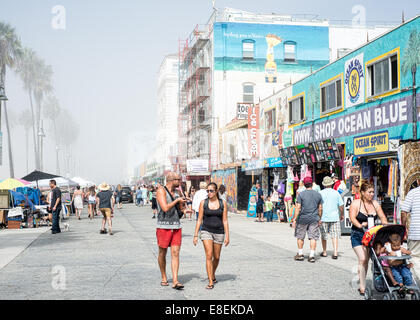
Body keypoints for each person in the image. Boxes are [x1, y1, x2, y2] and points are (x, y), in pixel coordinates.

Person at [349, 180, 388, 296]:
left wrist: (384, 226)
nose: (372, 194)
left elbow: (382, 217)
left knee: (376, 259)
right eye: (369, 192)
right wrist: (360, 225)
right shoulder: (356, 203)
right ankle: (362, 286)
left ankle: (380, 282)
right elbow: (352, 218)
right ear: (362, 192)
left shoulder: (375, 204)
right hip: (358, 234)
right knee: (363, 259)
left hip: (372, 235)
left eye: (373, 192)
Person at [156, 172, 192, 290]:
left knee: (175, 253)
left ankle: (175, 280)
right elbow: (165, 208)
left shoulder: (177, 193)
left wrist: (184, 209)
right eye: (179, 180)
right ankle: (164, 277)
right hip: (163, 226)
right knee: (162, 253)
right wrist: (176, 201)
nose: (180, 182)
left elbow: (180, 209)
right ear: (172, 180)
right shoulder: (161, 191)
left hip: (176, 226)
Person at [193, 182, 229, 289]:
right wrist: (195, 235)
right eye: (207, 191)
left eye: (211, 191)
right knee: (209, 255)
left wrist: (227, 235)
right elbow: (199, 220)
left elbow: (225, 220)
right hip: (206, 231)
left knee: (216, 257)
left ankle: (212, 273)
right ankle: (210, 281)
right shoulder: (203, 203)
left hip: (219, 232)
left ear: (216, 191)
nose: (209, 193)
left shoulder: (223, 203)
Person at [292, 177, 323, 263]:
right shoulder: (318, 194)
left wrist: (294, 219)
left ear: (304, 185)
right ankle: (312, 255)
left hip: (302, 219)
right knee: (313, 237)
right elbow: (320, 208)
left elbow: (298, 207)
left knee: (300, 236)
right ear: (312, 184)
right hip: (314, 219)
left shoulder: (301, 194)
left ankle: (300, 254)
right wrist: (319, 218)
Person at [319, 176, 344, 259]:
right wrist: (342, 214)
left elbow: (319, 206)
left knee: (324, 235)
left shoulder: (320, 193)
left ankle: (325, 252)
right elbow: (341, 206)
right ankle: (335, 253)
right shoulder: (336, 193)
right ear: (331, 184)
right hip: (335, 217)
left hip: (323, 217)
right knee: (335, 235)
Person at [401, 178, 420, 281]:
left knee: (414, 257)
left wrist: (403, 228)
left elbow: (404, 212)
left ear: (418, 181)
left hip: (416, 232)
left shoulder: (413, 193)